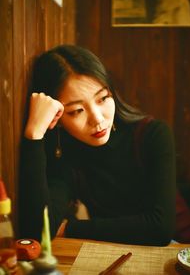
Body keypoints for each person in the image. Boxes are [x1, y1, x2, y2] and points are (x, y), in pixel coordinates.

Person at [18, 44, 176, 246]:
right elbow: (37, 232)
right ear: (58, 116)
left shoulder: (152, 134)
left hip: (180, 247)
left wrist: (69, 227)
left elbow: (160, 230)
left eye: (102, 98)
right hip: (112, 250)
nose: (98, 119)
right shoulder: (65, 151)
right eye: (76, 110)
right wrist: (34, 135)